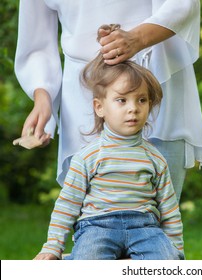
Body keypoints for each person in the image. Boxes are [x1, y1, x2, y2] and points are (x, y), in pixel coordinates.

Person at [14, 0, 202, 201]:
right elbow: (36, 42)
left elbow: (182, 3)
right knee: (89, 214)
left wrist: (137, 38)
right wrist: (42, 96)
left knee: (159, 216)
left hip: (156, 80)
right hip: (83, 98)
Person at [34, 50, 184, 260]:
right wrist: (52, 247)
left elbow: (169, 209)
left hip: (145, 227)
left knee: (166, 263)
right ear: (100, 107)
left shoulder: (155, 158)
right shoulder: (88, 157)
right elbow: (67, 205)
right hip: (97, 226)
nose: (133, 108)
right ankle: (72, 259)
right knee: (87, 264)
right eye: (122, 100)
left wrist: (176, 251)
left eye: (141, 100)